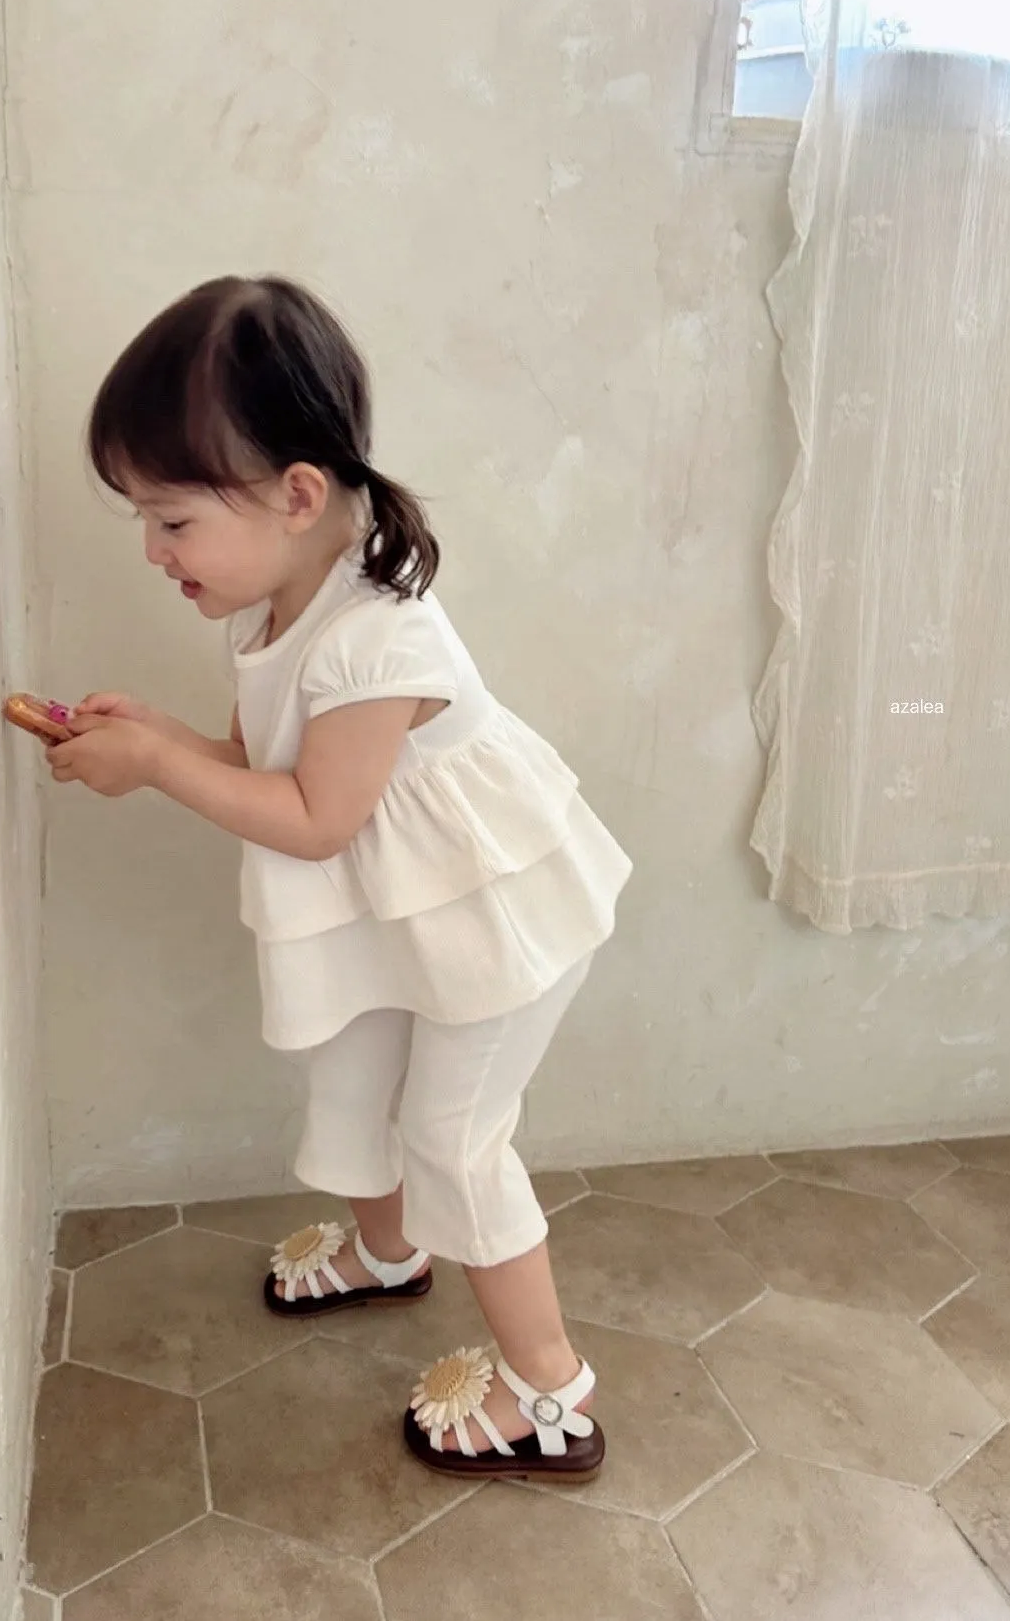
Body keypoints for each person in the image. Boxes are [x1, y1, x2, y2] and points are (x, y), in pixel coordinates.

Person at [48, 275, 631, 1481]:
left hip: (492, 922)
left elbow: (315, 819)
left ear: (297, 495)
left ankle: (550, 1390)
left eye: (172, 520)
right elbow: (271, 769)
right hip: (402, 914)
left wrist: (157, 767)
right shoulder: (268, 608)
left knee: (453, 1137)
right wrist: (163, 737)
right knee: (356, 1081)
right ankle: (387, 1254)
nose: (154, 552)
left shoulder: (378, 636)